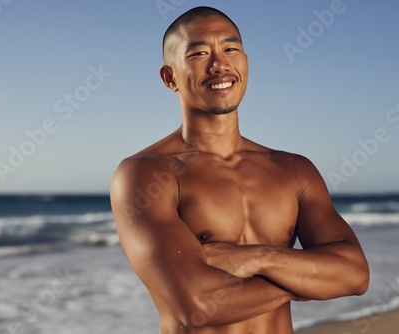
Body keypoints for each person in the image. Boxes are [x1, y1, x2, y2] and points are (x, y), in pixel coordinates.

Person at [110, 6, 369, 334]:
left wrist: (260, 258)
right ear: (169, 77)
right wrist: (313, 282)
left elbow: (356, 275)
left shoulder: (293, 170)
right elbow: (197, 305)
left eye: (231, 49)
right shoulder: (147, 175)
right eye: (200, 53)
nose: (220, 65)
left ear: (246, 62)